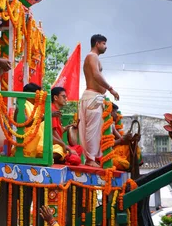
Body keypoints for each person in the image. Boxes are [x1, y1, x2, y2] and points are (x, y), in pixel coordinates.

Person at [79, 34, 119, 167]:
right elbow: (96, 75)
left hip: (94, 97)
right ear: (97, 44)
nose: (106, 47)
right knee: (92, 130)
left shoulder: (93, 57)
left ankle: (93, 158)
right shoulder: (92, 56)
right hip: (92, 96)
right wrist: (111, 89)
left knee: (96, 130)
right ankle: (90, 159)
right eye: (104, 44)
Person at [49, 87, 83, 165]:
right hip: (54, 145)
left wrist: (69, 126)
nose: (66, 99)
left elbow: (58, 130)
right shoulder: (52, 110)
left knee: (78, 148)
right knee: (75, 159)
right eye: (63, 96)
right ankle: (63, 158)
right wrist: (65, 146)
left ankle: (64, 158)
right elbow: (53, 133)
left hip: (58, 145)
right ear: (55, 97)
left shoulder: (55, 110)